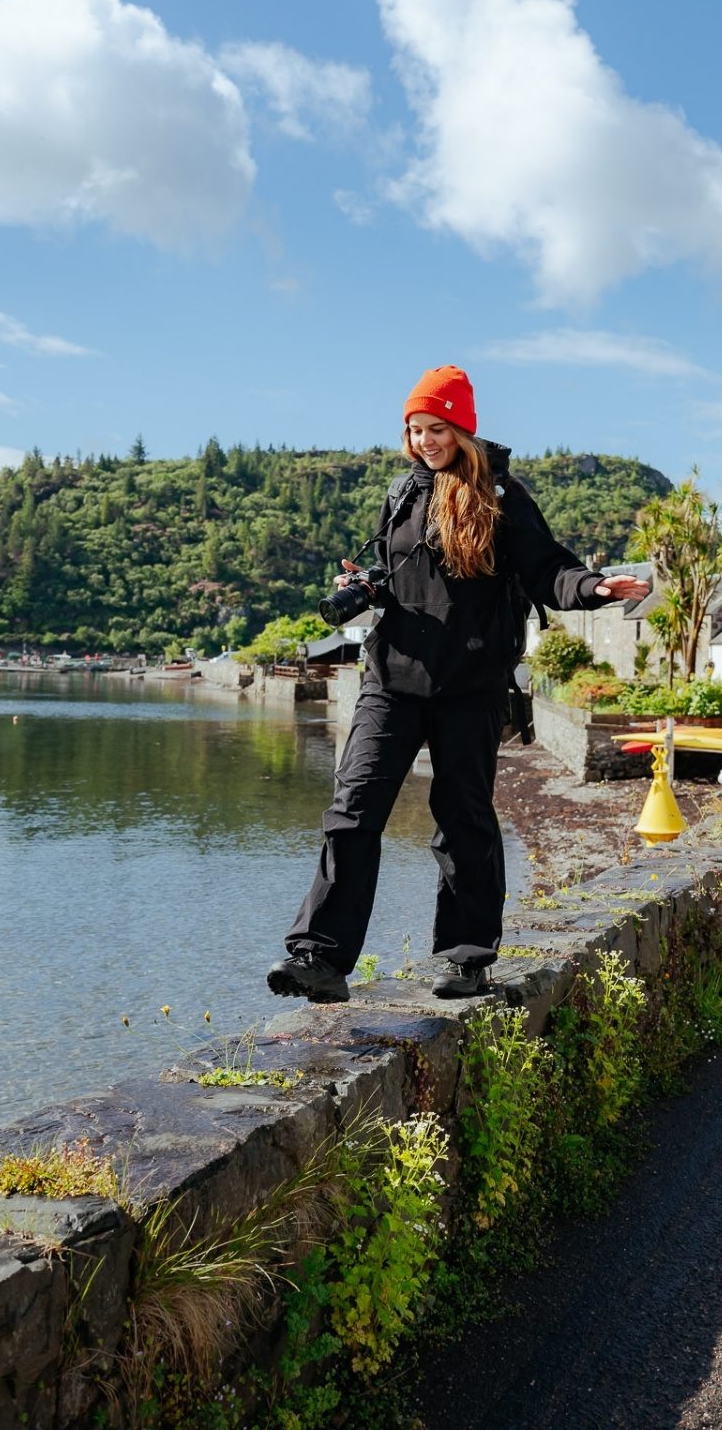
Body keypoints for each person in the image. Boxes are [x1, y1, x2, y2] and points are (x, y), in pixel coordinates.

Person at [267, 365, 649, 1005]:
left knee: (462, 819)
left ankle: (466, 959)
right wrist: (361, 588)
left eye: (436, 428)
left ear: (463, 429)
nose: (424, 441)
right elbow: (398, 577)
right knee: (351, 811)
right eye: (415, 430)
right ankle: (321, 960)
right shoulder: (402, 494)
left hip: (471, 685)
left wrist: (595, 588)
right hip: (391, 678)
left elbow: (547, 569)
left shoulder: (501, 496)